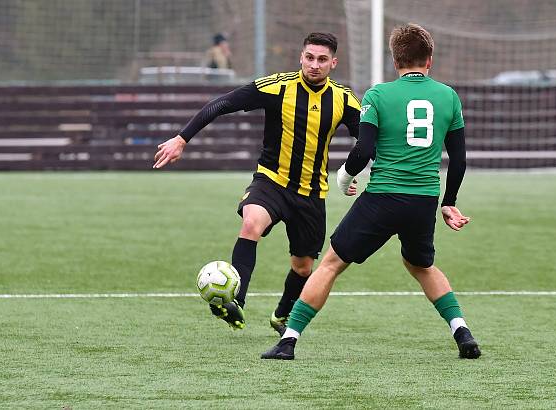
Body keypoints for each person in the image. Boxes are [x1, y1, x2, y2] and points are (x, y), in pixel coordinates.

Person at [261, 23, 480, 360]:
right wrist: (448, 203)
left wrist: (345, 179)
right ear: (429, 60)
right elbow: (460, 160)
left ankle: (288, 340)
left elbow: (362, 151)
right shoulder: (448, 96)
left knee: (331, 264)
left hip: (382, 197)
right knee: (421, 266)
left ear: (395, 61)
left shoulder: (378, 95)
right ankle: (462, 333)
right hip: (423, 200)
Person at [154, 33, 361, 334]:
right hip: (271, 182)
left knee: (303, 267)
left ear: (333, 63)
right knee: (251, 224)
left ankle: (281, 315)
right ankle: (235, 301)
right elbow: (223, 103)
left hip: (312, 193)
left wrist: (349, 174)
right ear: (301, 57)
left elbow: (365, 141)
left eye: (322, 59)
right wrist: (182, 138)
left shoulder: (343, 99)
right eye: (309, 57)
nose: (314, 65)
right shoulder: (277, 86)